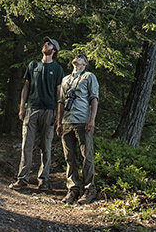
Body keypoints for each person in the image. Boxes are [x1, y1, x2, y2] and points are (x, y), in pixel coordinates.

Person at [9, 37, 64, 191]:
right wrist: (22, 107)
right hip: (32, 109)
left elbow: (59, 92)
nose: (45, 44)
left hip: (49, 111)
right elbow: (26, 87)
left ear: (54, 50)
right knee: (27, 144)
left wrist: (58, 116)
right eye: (45, 42)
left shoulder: (58, 69)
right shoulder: (33, 65)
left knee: (46, 146)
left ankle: (43, 180)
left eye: (49, 43)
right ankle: (22, 179)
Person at [56, 54, 99, 205]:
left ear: (85, 63)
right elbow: (61, 101)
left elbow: (94, 98)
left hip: (82, 120)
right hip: (67, 121)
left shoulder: (89, 76)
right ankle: (72, 189)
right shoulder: (65, 79)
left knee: (86, 155)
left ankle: (89, 189)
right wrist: (59, 121)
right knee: (69, 156)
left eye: (81, 57)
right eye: (76, 57)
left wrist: (91, 119)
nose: (77, 58)